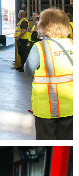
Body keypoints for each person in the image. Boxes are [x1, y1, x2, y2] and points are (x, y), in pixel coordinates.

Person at [24, 8, 73, 140]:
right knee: (67, 146)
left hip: (46, 109)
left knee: (46, 145)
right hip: (71, 108)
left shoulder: (40, 47)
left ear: (44, 26)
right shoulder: (73, 45)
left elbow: (28, 71)